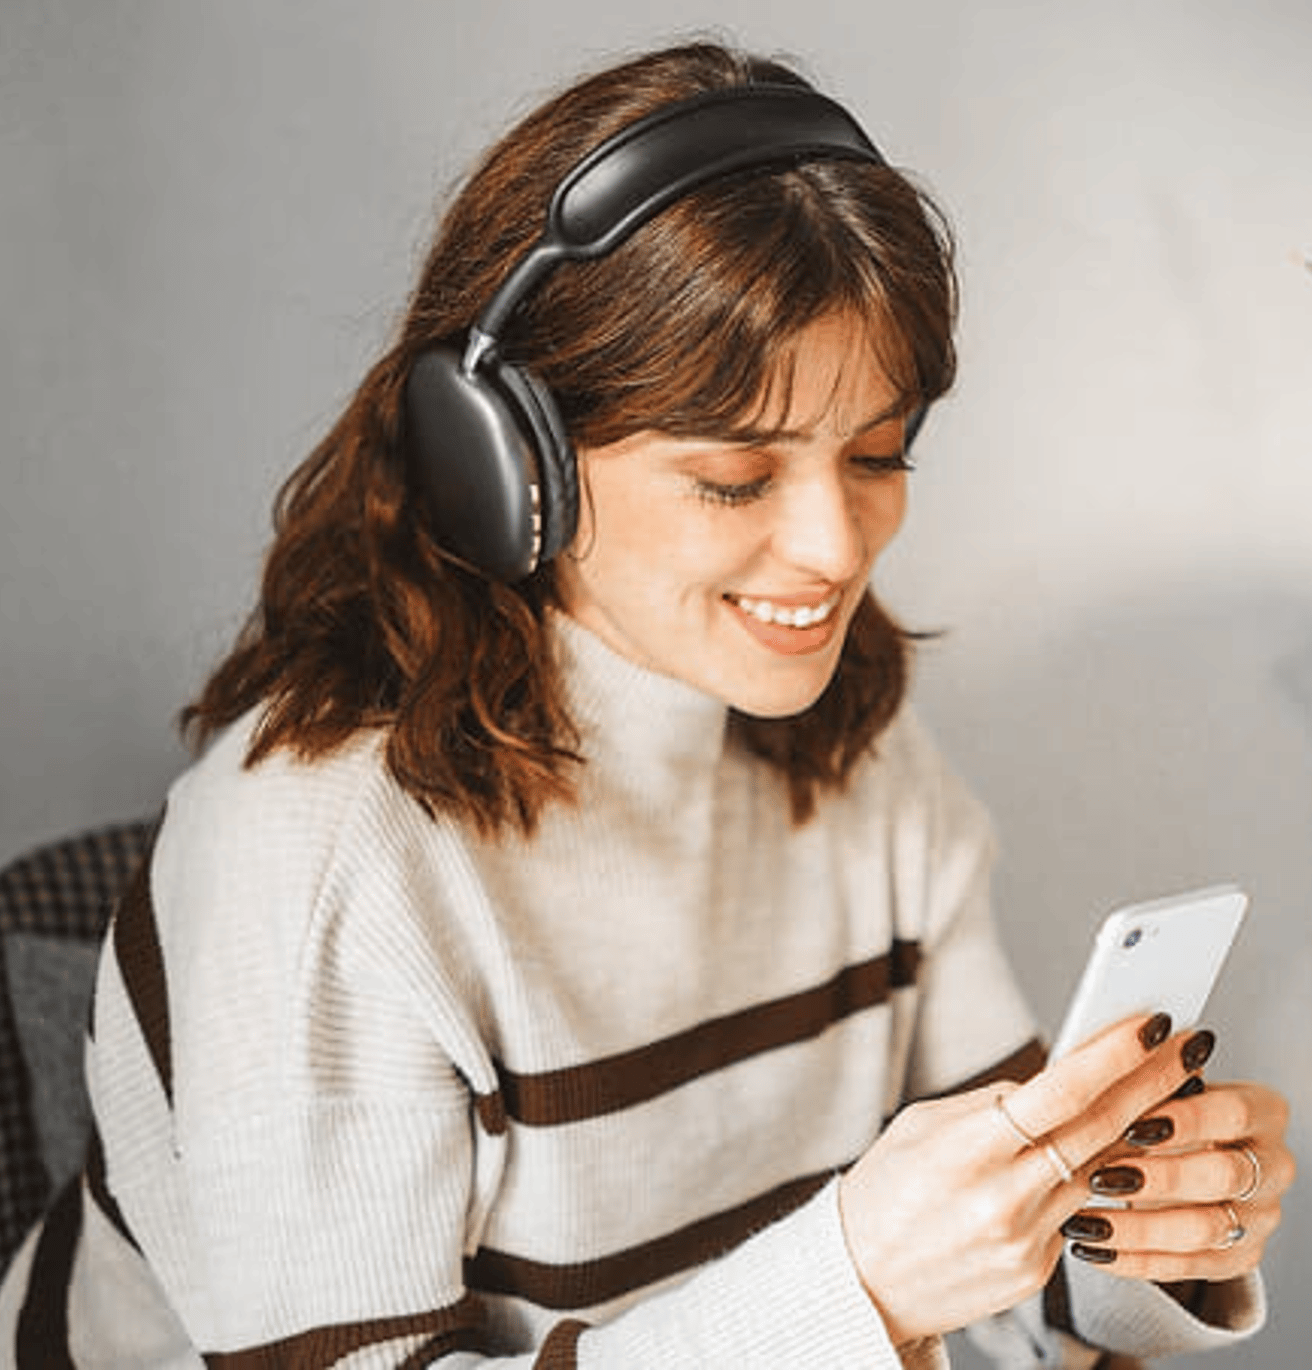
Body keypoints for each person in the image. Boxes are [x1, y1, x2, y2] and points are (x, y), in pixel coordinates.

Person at [0, 40, 1292, 1369]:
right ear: (511, 464)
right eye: (736, 477)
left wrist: (1139, 1249)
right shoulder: (315, 858)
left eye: (878, 454)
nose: (837, 547)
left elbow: (997, 1316)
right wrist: (851, 1287)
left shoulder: (858, 753)